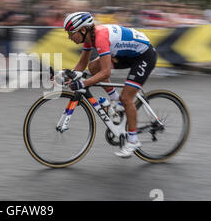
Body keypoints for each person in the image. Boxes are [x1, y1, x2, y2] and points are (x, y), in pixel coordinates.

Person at [63, 12, 157, 158]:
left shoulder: (100, 38)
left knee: (126, 98)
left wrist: (82, 83)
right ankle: (115, 100)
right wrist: (66, 77)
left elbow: (106, 72)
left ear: (82, 30)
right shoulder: (89, 37)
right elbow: (82, 64)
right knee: (93, 66)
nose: (69, 37)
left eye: (71, 33)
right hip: (126, 54)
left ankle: (133, 141)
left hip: (144, 56)